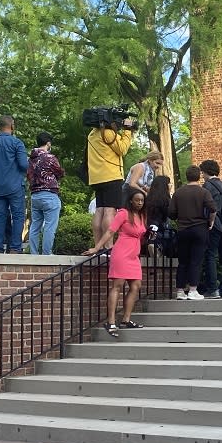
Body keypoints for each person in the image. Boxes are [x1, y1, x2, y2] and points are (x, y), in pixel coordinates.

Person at [83, 187, 148, 338]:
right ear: (130, 200)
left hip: (134, 255)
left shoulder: (142, 216)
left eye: (142, 200)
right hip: (121, 253)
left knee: (136, 285)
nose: (139, 203)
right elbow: (110, 231)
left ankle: (126, 319)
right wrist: (97, 247)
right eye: (137, 200)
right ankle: (111, 321)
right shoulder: (123, 213)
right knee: (117, 286)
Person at [169, 165, 217, 300]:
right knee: (196, 261)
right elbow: (213, 209)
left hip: (183, 229)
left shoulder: (178, 192)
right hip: (199, 228)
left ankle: (179, 291)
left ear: (186, 176)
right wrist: (211, 222)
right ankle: (193, 290)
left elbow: (171, 213)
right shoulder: (203, 192)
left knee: (182, 261)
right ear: (199, 176)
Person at [0, 115, 28, 253]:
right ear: (12, 126)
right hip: (15, 186)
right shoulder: (17, 143)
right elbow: (24, 165)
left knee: (0, 216)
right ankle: (15, 247)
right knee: (18, 215)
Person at [88, 117, 134, 247]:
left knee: (99, 210)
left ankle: (98, 246)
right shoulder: (107, 133)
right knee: (110, 211)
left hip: (96, 177)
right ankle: (108, 246)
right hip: (110, 175)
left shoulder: (93, 133)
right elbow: (122, 149)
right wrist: (127, 130)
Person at [200, 159, 222, 299]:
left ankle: (213, 289)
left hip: (214, 224)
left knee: (211, 255)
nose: (202, 174)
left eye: (202, 172)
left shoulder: (207, 186)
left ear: (206, 171)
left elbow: (206, 207)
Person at [27, 131, 64, 255]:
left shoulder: (31, 159)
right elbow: (60, 173)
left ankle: (33, 253)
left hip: (35, 195)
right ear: (48, 143)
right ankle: (46, 254)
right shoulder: (50, 158)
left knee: (35, 226)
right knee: (49, 226)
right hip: (49, 194)